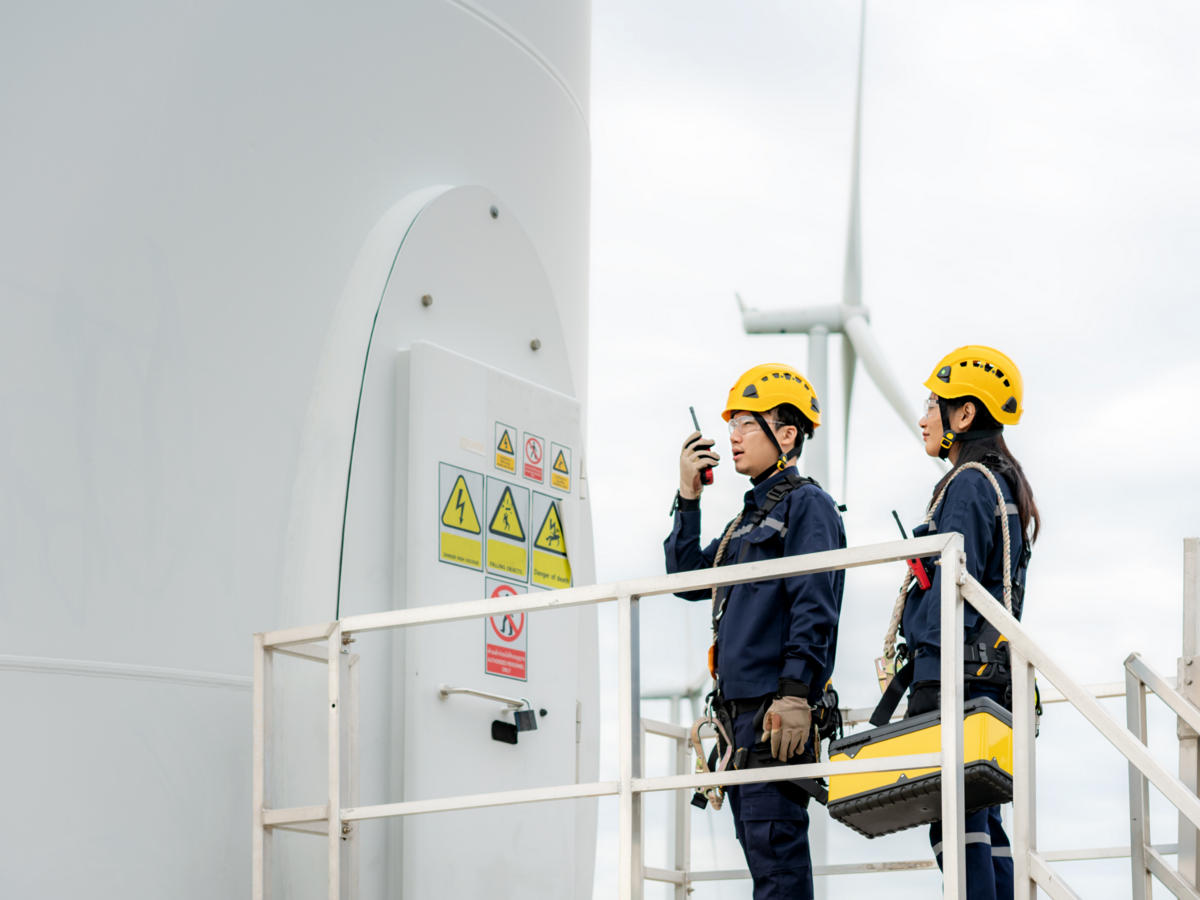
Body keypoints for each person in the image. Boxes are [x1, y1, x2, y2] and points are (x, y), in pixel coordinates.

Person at [664, 364, 846, 900]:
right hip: (740, 723)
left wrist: (795, 694)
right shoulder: (747, 520)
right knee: (766, 862)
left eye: (746, 422)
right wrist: (688, 496)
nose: (733, 436)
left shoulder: (807, 506)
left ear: (786, 435)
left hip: (774, 717)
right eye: (732, 424)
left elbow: (815, 603)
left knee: (777, 863)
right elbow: (686, 579)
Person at [892, 345, 1040, 900]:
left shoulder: (967, 484)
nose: (924, 416)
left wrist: (921, 673)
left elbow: (951, 593)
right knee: (981, 819)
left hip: (957, 678)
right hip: (991, 679)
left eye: (934, 403)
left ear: (964, 414)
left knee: (953, 823)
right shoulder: (1003, 483)